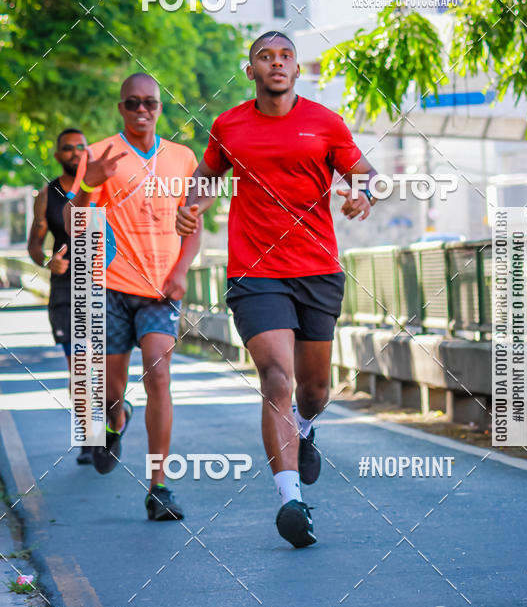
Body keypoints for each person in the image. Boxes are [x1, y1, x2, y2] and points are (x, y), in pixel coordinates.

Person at [176, 31, 377, 548]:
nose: (277, 63)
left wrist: (362, 193)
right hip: (255, 272)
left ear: (296, 68)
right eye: (266, 57)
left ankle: (306, 429)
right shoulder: (230, 125)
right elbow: (206, 174)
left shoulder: (324, 123)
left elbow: (368, 174)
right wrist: (192, 203)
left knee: (314, 391)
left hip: (316, 269)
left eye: (285, 56)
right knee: (276, 379)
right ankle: (291, 501)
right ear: (252, 71)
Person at [64, 73, 201, 521]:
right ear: (120, 107)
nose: (142, 110)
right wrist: (89, 185)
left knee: (159, 376)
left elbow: (192, 225)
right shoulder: (98, 154)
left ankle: (159, 487)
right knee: (110, 390)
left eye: (151, 103)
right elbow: (73, 222)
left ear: (161, 107)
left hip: (161, 291)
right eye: (132, 103)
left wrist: (181, 271)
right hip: (112, 286)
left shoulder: (182, 158)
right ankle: (114, 421)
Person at [27, 128, 92, 465]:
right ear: (58, 155)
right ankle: (89, 436)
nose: (76, 152)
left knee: (107, 366)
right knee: (79, 364)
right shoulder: (46, 194)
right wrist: (47, 262)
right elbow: (34, 246)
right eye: (68, 148)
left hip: (106, 284)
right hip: (66, 290)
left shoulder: (103, 187)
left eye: (81, 146)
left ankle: (113, 418)